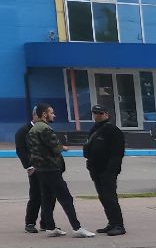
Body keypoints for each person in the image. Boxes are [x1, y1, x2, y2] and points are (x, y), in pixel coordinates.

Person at [25, 103, 94, 238]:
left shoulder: (32, 130)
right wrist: (63, 147)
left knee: (46, 198)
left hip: (40, 169)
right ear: (44, 114)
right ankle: (77, 227)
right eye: (51, 113)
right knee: (66, 198)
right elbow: (56, 148)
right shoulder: (45, 129)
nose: (54, 115)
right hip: (51, 169)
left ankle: (50, 227)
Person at [82, 102, 127, 236]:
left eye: (100, 113)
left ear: (106, 114)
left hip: (107, 171)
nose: (97, 116)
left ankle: (118, 225)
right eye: (95, 113)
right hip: (96, 170)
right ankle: (111, 222)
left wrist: (111, 171)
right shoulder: (95, 129)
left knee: (110, 198)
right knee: (103, 198)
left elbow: (117, 154)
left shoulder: (112, 130)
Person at [14, 108, 50, 235]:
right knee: (36, 195)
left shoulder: (46, 129)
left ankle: (46, 222)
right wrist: (29, 166)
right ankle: (30, 223)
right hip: (35, 168)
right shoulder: (23, 131)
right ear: (35, 115)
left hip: (48, 168)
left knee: (49, 195)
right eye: (44, 115)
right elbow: (20, 150)